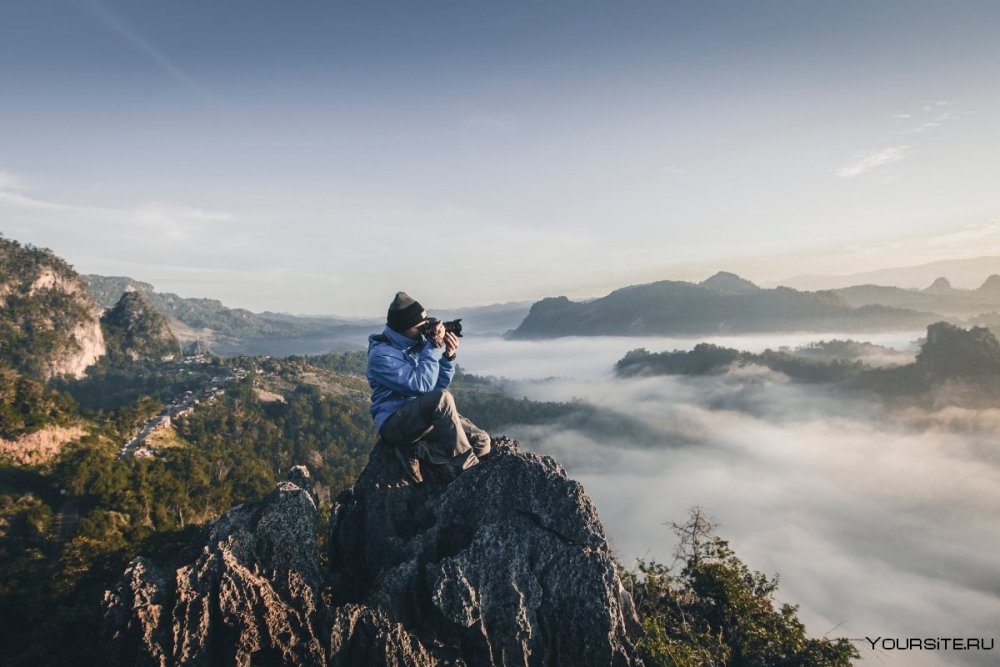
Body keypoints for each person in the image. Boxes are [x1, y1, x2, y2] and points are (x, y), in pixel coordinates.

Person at [367, 291, 491, 483]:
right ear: (404, 328)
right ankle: (468, 471)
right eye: (421, 327)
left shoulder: (417, 344)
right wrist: (432, 347)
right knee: (443, 398)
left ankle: (418, 451)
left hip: (422, 418)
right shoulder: (381, 356)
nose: (425, 331)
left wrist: (448, 358)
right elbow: (422, 386)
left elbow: (436, 386)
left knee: (481, 441)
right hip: (395, 423)